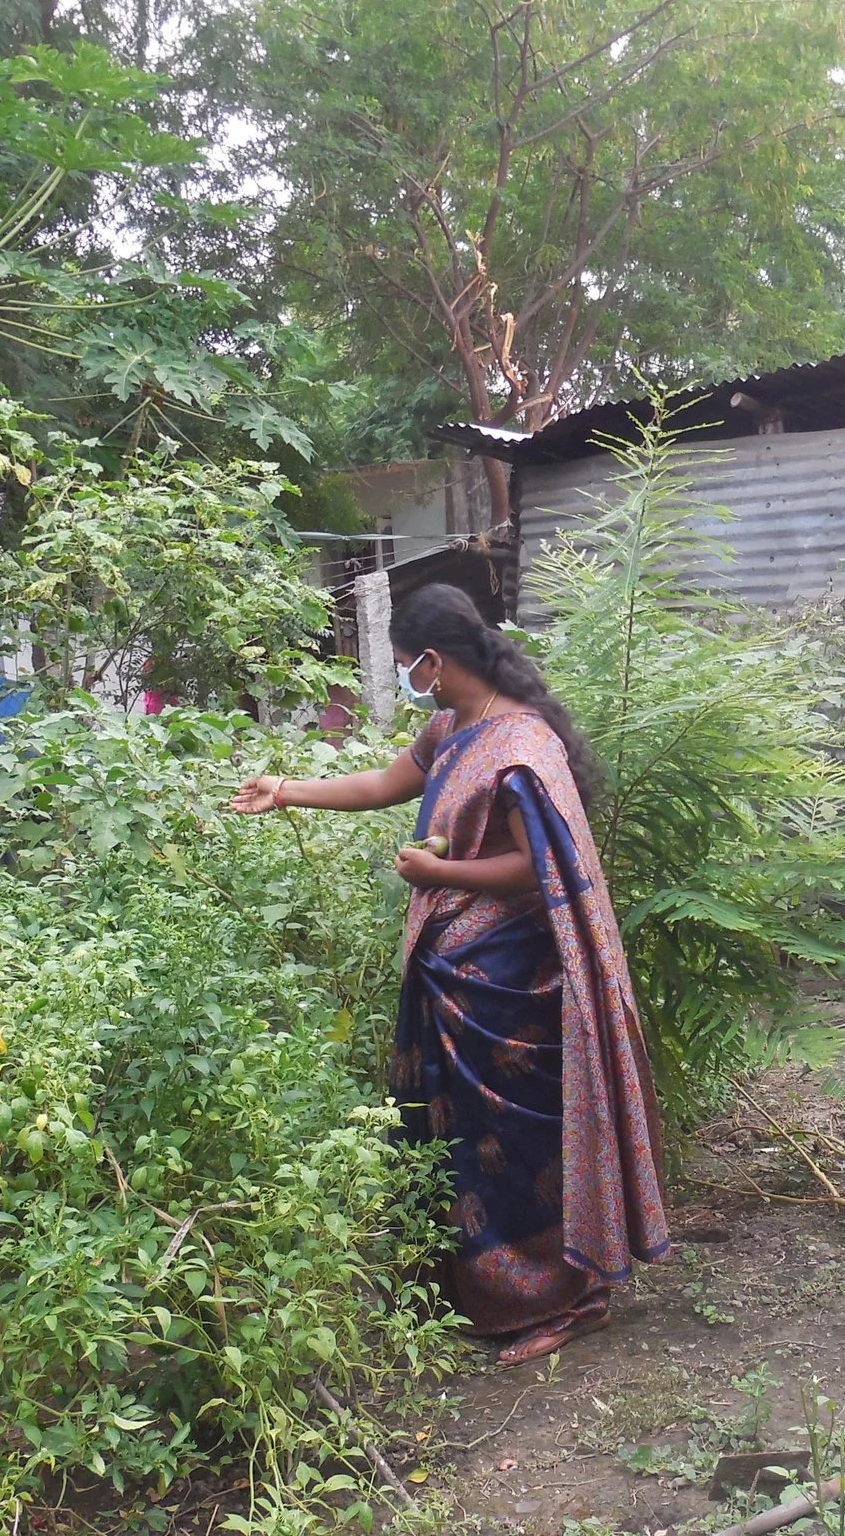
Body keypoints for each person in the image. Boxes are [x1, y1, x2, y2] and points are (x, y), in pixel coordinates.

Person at [228, 584, 669, 1367]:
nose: (407, 679)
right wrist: (287, 789)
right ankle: (478, 1290)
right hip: (452, 980)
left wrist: (440, 867)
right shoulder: (449, 728)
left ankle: (569, 1295)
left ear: (433, 660)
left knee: (524, 1143)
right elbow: (379, 786)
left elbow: (543, 869)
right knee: (460, 1143)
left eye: (407, 667)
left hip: (514, 990)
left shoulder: (523, 746)